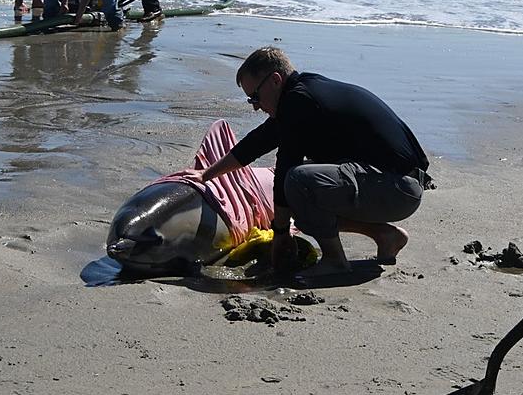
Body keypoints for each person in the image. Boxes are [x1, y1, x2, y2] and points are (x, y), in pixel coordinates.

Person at [180, 47, 433, 278]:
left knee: (299, 182)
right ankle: (385, 235)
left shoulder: (299, 101)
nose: (255, 107)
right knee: (301, 208)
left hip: (396, 188)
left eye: (255, 97)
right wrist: (206, 175)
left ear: (276, 80)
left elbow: (285, 168)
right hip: (399, 185)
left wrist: (279, 233)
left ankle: (335, 261)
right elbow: (256, 143)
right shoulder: (303, 94)